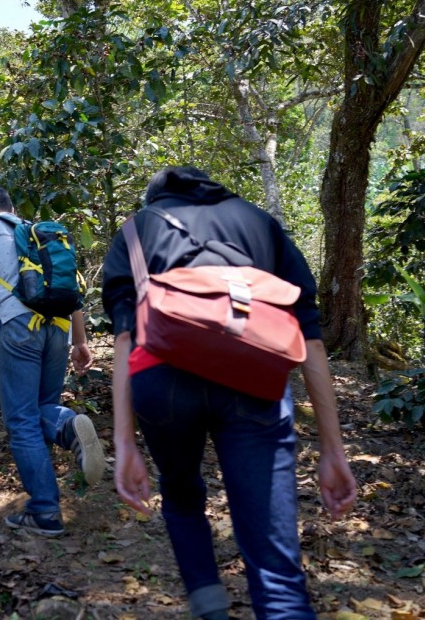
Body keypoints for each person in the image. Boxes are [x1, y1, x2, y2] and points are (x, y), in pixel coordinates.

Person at [102, 166, 357, 620]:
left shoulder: (136, 230)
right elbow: (310, 337)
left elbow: (125, 339)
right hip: (254, 375)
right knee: (275, 565)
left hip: (163, 379)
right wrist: (332, 449)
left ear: (154, 201)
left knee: (181, 497)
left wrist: (124, 444)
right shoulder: (260, 222)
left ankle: (210, 609)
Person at [0, 182, 105, 537]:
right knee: (43, 407)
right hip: (58, 326)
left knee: (21, 419)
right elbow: (70, 289)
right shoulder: (37, 232)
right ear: (11, 207)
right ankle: (64, 423)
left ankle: (46, 509)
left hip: (18, 326)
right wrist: (80, 342)